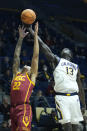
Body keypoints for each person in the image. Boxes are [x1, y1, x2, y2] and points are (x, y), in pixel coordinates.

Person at [29, 27, 86, 131]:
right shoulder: (62, 62)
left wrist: (84, 105)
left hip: (69, 97)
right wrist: (33, 32)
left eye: (66, 51)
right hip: (67, 97)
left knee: (74, 126)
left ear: (69, 55)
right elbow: (43, 46)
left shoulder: (69, 64)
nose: (65, 51)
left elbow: (80, 87)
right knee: (70, 126)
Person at [10, 22, 39, 131]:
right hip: (13, 109)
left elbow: (35, 57)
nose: (27, 65)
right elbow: (16, 57)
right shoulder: (16, 74)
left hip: (24, 109)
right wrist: (20, 38)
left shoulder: (31, 77)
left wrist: (35, 35)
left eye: (30, 66)